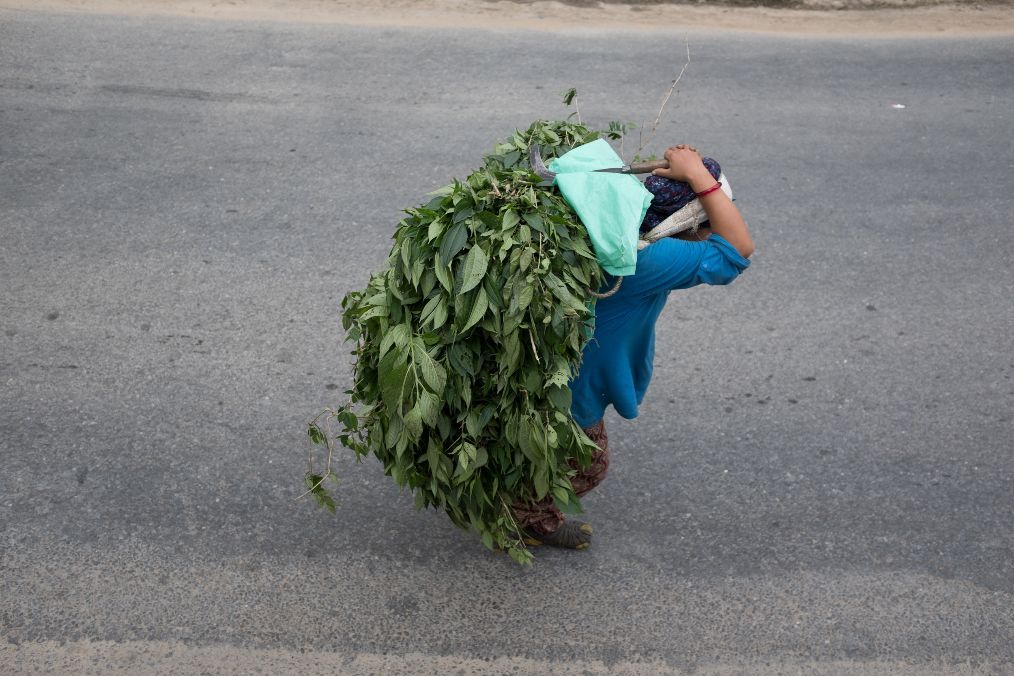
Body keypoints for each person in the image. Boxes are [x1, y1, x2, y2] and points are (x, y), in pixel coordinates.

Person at [514, 144, 755, 549]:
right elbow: (738, 251)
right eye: (712, 215)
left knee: (546, 441)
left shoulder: (607, 228)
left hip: (543, 362)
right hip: (572, 384)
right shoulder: (648, 260)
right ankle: (525, 517)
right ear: (688, 220)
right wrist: (698, 176)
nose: (715, 227)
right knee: (588, 464)